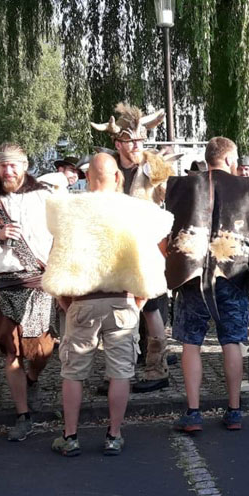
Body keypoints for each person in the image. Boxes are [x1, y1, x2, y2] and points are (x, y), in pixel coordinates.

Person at [41, 152, 174, 456]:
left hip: (82, 301)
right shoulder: (135, 210)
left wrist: (65, 300)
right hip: (122, 302)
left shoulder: (69, 210)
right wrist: (139, 300)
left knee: (73, 372)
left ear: (88, 177)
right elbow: (153, 256)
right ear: (117, 177)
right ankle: (114, 435)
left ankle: (70, 437)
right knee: (121, 372)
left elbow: (56, 258)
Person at [164, 137, 249, 431]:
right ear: (228, 159)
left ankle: (193, 412)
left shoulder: (180, 186)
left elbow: (166, 227)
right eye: (235, 159)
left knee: (191, 342)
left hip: (191, 274)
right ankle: (234, 410)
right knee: (232, 341)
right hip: (232, 273)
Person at [0, 143, 56, 442]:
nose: (8, 171)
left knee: (42, 350)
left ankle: (33, 378)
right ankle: (23, 415)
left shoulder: (45, 197)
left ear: (24, 165)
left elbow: (60, 235)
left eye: (13, 165)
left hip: (38, 283)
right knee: (12, 351)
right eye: (2, 165)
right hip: (4, 283)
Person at [92, 103, 177, 393]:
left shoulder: (152, 166)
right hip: (114, 250)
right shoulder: (108, 168)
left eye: (141, 140)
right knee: (116, 310)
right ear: (118, 143)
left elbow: (169, 198)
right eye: (130, 141)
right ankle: (118, 372)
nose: (137, 145)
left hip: (145, 249)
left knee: (150, 307)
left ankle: (157, 369)